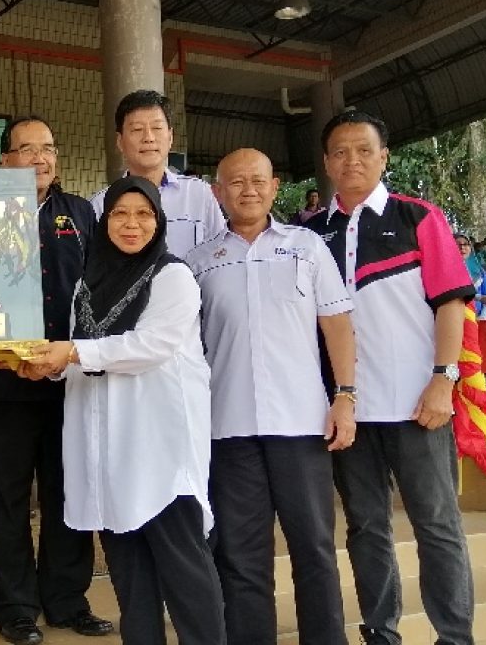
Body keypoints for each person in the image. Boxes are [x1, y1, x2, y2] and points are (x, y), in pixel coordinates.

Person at [23, 176, 224, 645]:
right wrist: (48, 367)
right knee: (131, 579)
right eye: (119, 214)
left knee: (185, 574)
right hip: (107, 450)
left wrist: (71, 353)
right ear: (104, 221)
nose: (131, 224)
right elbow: (82, 352)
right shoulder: (88, 282)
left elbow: (149, 346)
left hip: (160, 448)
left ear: (159, 221)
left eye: (143, 214)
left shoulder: (172, 276)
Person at [307, 111, 475, 645]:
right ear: (326, 162)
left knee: (437, 525)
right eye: (340, 152)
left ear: (384, 157)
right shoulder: (310, 234)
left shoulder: (418, 217)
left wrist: (444, 379)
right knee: (365, 527)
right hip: (348, 410)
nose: (351, 161)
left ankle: (454, 636)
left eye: (364, 150)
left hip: (417, 404)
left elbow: (450, 304)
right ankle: (381, 632)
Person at [186, 148, 356, 645]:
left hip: (301, 424)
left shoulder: (307, 246)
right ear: (218, 192)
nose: (249, 190)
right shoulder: (198, 262)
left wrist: (345, 396)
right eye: (236, 182)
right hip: (228, 429)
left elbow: (337, 324)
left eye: (258, 180)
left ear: (275, 187)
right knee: (241, 557)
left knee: (314, 549)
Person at [0, 116, 109, 645]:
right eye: (27, 149)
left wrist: (80, 356)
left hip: (66, 381)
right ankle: (14, 607)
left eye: (49, 148)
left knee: (68, 492)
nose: (40, 158)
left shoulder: (80, 213)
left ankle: (67, 599)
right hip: (3, 381)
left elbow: (100, 289)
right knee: (7, 497)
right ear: (5, 159)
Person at [90, 90, 225, 257]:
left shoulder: (200, 194)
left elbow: (220, 254)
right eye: (137, 129)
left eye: (157, 128)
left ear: (170, 137)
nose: (149, 138)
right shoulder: (100, 205)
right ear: (120, 141)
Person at [457, 233, 486, 319]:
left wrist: (482, 317)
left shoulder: (479, 271)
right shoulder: (445, 271)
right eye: (458, 244)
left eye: (466, 244)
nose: (462, 247)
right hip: (453, 318)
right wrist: (480, 298)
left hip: (476, 319)